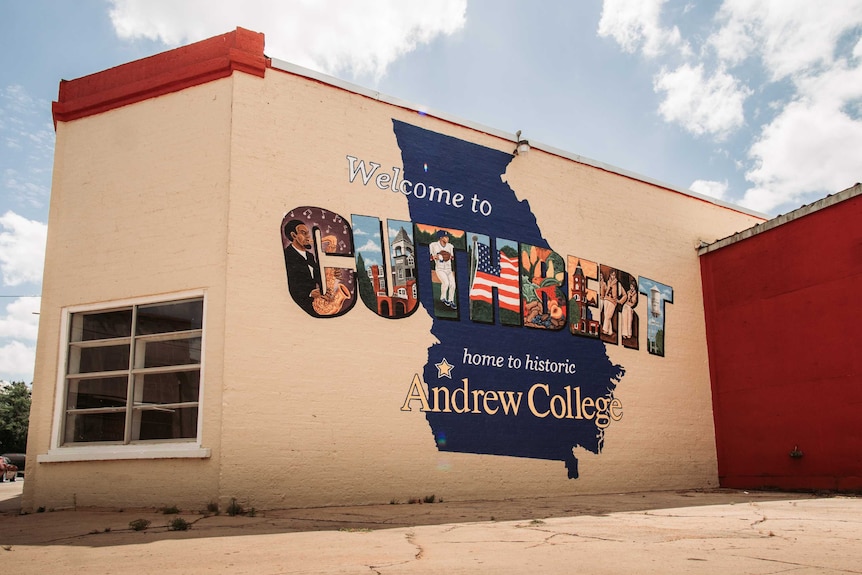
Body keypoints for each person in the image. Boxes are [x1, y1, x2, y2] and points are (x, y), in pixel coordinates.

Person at [283, 219, 322, 315]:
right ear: (293, 235)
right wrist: (309, 293)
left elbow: (317, 277)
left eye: (307, 233)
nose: (308, 237)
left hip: (314, 304)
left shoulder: (310, 256)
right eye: (303, 233)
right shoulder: (287, 255)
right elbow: (290, 284)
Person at [429, 230, 456, 309]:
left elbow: (454, 257)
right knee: (446, 283)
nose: (447, 238)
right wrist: (434, 257)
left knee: (453, 285)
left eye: (447, 237)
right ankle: (443, 298)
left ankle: (451, 300)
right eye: (446, 237)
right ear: (441, 238)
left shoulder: (450, 246)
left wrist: (449, 256)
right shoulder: (433, 245)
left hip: (448, 269)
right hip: (440, 269)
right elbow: (428, 256)